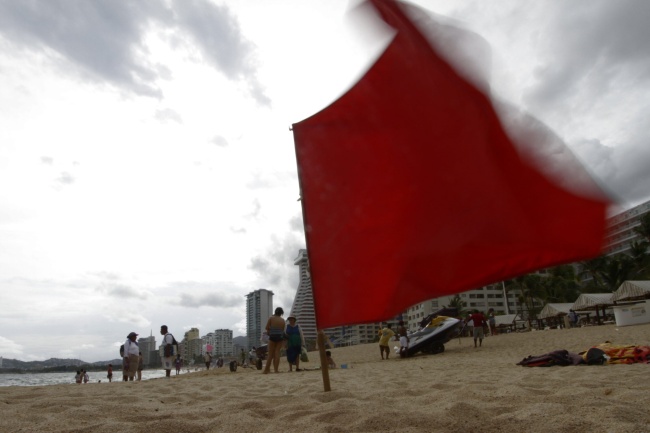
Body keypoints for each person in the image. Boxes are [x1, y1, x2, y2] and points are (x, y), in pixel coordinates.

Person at [263, 307, 286, 374]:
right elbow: (282, 330)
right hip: (279, 338)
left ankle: (266, 370)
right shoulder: (283, 320)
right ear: (281, 313)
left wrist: (269, 332)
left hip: (272, 337)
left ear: (275, 312)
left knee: (270, 354)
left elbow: (267, 328)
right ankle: (276, 370)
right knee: (277, 353)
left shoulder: (271, 318)